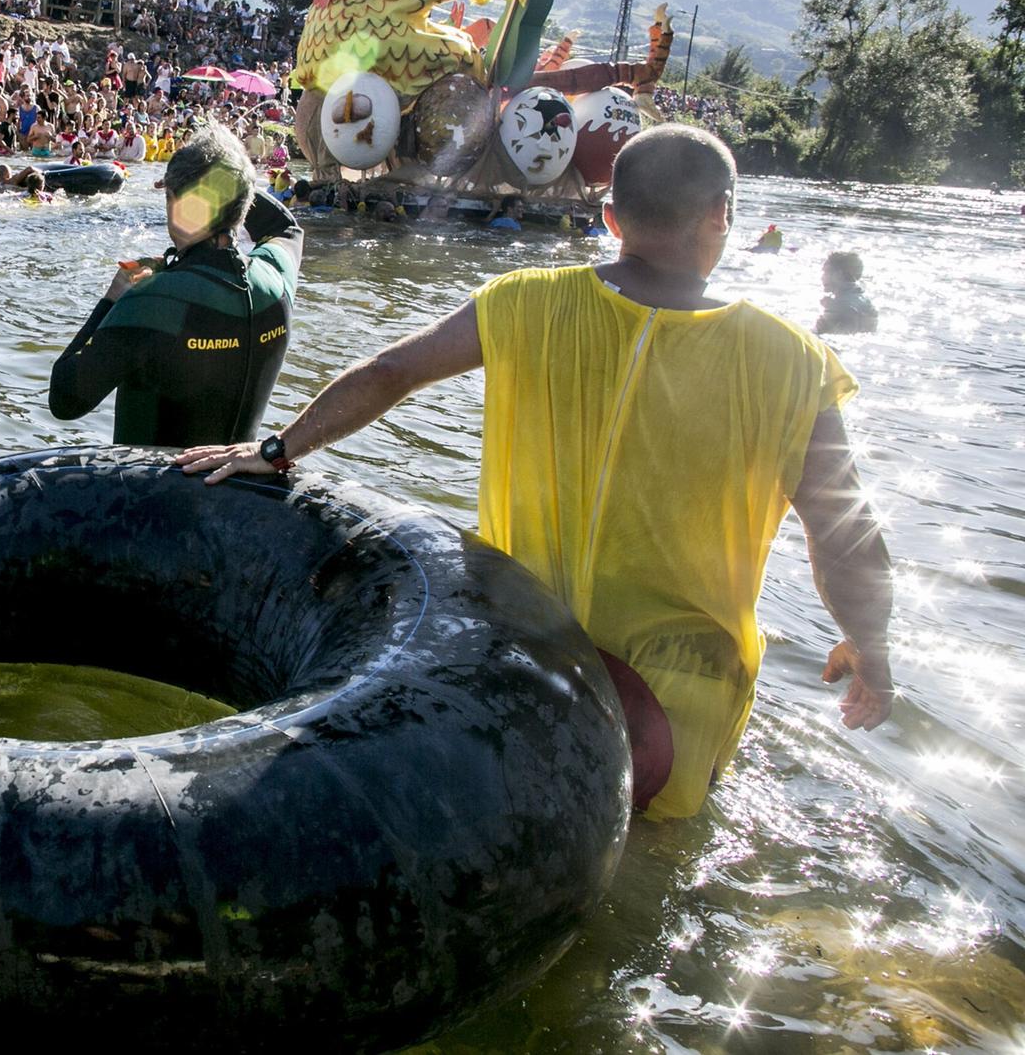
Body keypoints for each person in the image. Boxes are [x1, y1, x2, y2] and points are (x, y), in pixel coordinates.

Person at [177, 125, 893, 819]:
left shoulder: (525, 301)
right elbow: (843, 534)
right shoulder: (793, 361)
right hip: (673, 714)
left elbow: (392, 370)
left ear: (610, 216)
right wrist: (872, 645)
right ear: (722, 215)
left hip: (520, 666)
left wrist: (275, 449)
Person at [49, 126, 302, 447]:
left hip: (155, 493)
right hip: (240, 488)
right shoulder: (275, 277)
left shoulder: (151, 299)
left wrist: (112, 301)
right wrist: (237, 181)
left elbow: (65, 400)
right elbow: (285, 227)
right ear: (243, 204)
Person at [817, 250, 878, 334]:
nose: (822, 277)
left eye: (826, 272)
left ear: (839, 274)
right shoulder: (867, 303)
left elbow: (820, 337)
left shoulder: (837, 305)